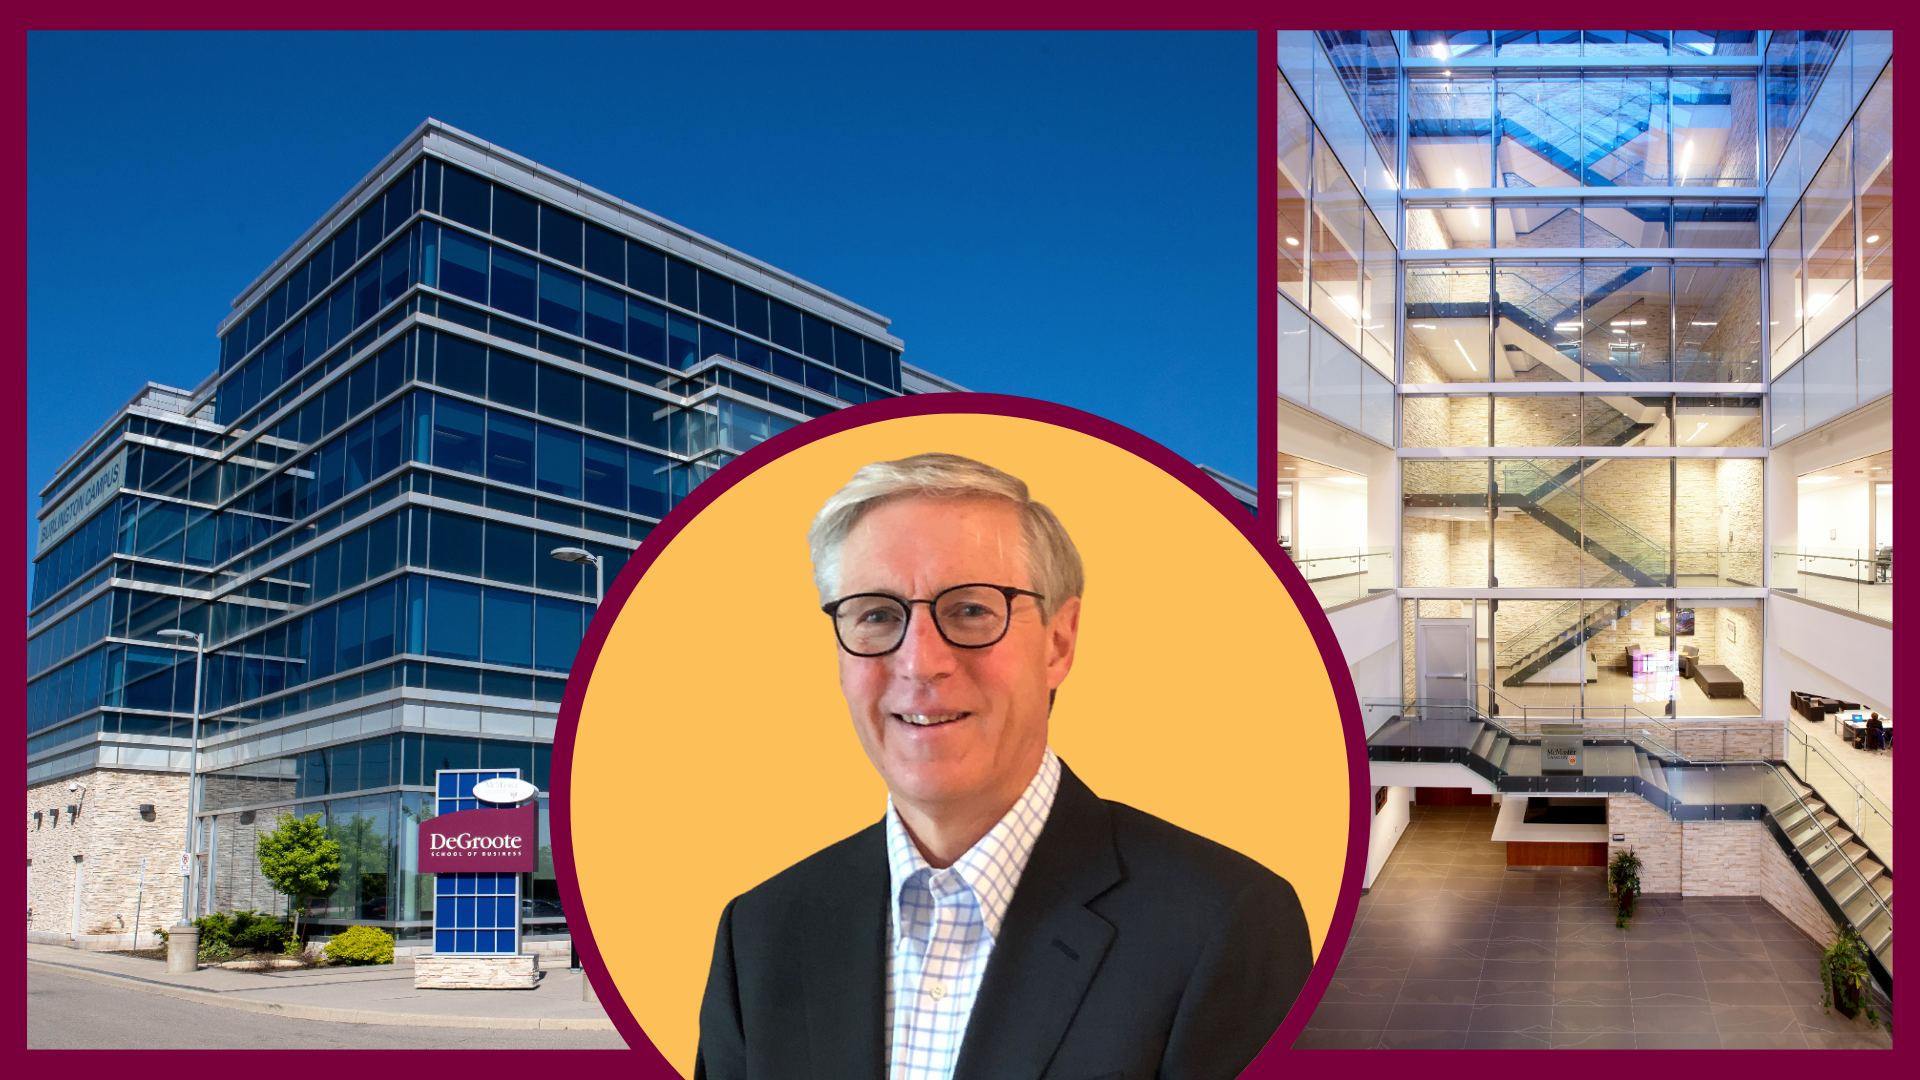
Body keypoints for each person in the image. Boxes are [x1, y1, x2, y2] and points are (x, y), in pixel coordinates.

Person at [695, 453, 1313, 1080]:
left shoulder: (1223, 924)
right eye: (877, 615)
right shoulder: (762, 933)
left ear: (1059, 641)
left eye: (969, 611)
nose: (919, 663)